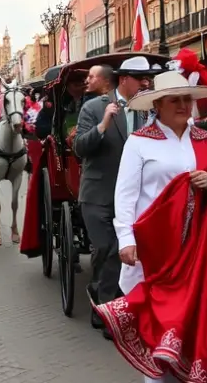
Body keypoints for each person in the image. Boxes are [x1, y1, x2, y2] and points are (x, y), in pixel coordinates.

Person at [95, 70, 207, 383]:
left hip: (199, 248)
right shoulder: (139, 143)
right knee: (158, 323)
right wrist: (126, 238)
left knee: (193, 321)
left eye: (186, 99)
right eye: (174, 100)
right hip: (154, 250)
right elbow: (125, 194)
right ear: (159, 105)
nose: (182, 105)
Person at [74, 58, 147, 338]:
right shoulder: (93, 107)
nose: (145, 84)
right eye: (140, 79)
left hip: (129, 197)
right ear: (124, 79)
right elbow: (81, 147)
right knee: (105, 248)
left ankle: (108, 305)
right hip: (98, 194)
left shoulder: (144, 110)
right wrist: (103, 125)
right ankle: (101, 301)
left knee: (122, 251)